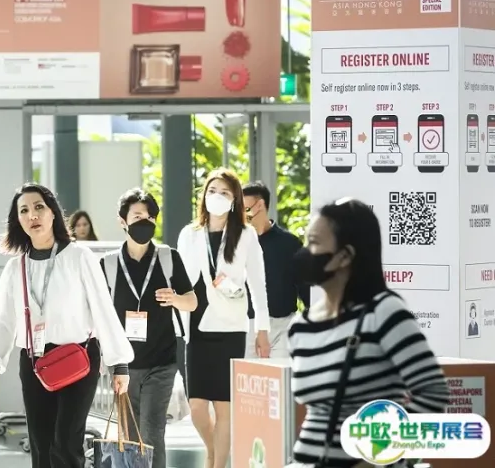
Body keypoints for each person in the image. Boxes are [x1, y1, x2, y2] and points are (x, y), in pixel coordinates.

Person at [0, 183, 133, 468]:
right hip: (35, 362)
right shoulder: (16, 268)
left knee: (66, 442)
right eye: (24, 210)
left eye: (39, 207)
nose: (32, 215)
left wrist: (118, 363)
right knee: (41, 445)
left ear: (53, 213)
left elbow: (102, 308)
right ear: (18, 220)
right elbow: (3, 320)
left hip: (78, 357)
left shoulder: (79, 257)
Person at [288, 198, 448, 466]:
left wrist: (379, 458)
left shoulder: (383, 312)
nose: (305, 252)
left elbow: (433, 393)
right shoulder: (301, 327)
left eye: (314, 243)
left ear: (345, 256)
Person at [176, 168, 271, 468]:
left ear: (235, 200)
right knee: (197, 408)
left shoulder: (245, 234)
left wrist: (262, 329)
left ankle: (218, 464)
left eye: (225, 192)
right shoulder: (189, 234)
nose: (217, 196)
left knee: (224, 407)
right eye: (212, 190)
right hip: (196, 326)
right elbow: (181, 278)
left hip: (230, 327)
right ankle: (212, 450)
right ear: (204, 195)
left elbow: (258, 284)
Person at [100, 188, 197, 468]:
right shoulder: (108, 264)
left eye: (150, 217)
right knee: (129, 436)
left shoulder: (168, 258)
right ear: (123, 221)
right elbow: (97, 313)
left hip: (161, 362)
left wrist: (175, 299)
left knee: (153, 432)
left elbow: (192, 301)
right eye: (138, 216)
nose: (145, 222)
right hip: (123, 366)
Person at [241, 181, 310, 358]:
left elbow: (305, 287)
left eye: (245, 208)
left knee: (281, 374)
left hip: (283, 326)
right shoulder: (236, 244)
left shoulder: (289, 243)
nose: (241, 214)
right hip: (246, 326)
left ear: (260, 205)